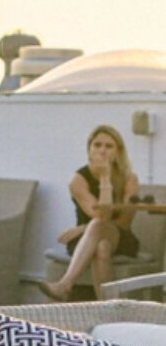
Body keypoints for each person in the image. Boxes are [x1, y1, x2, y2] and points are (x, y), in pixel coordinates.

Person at [42, 125, 140, 301]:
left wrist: (84, 228)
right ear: (89, 149)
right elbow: (101, 217)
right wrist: (104, 177)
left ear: (118, 151)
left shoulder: (129, 178)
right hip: (84, 242)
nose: (102, 150)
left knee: (97, 227)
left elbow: (123, 221)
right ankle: (108, 308)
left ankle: (65, 285)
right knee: (101, 246)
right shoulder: (78, 180)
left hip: (120, 236)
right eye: (97, 145)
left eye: (109, 146)